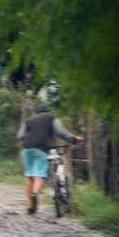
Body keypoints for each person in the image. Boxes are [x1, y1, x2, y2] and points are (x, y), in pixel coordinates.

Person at [18, 82, 82, 215]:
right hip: (41, 149)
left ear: (36, 112)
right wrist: (74, 139)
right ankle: (35, 194)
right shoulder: (51, 118)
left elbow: (20, 136)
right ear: (47, 111)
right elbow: (61, 132)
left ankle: (30, 206)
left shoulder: (29, 120)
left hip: (26, 149)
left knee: (29, 175)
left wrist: (28, 142)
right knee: (39, 174)